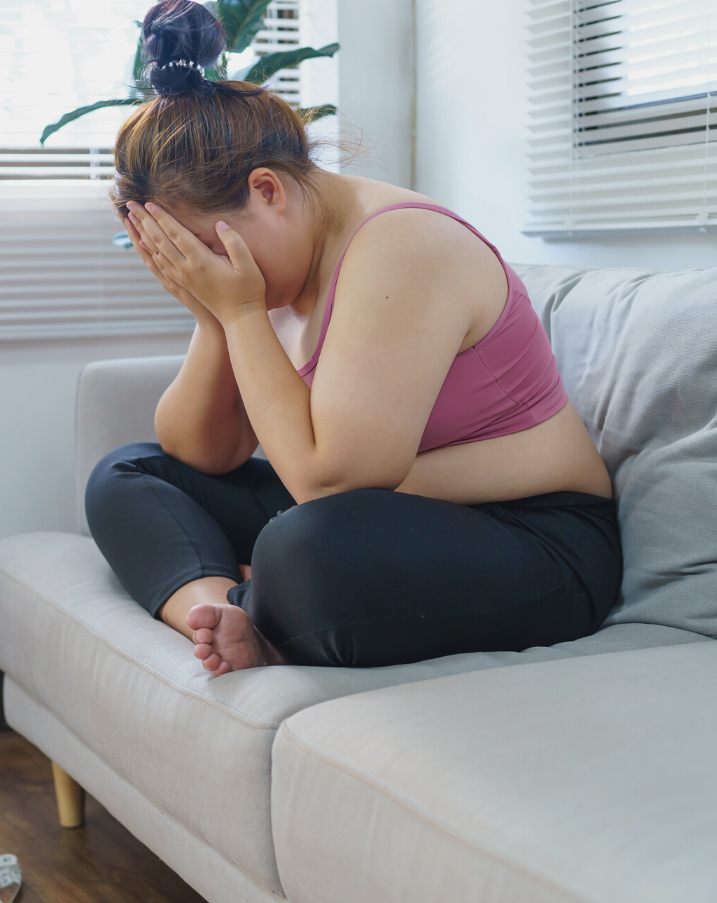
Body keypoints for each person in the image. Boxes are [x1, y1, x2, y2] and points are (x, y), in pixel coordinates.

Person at [85, 0, 622, 673]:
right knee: (129, 474)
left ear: (267, 191)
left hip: (533, 536)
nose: (205, 271)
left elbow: (328, 480)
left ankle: (265, 599)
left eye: (201, 249)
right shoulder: (268, 262)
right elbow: (202, 451)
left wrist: (244, 313)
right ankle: (225, 610)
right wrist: (214, 313)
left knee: (306, 547)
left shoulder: (401, 246)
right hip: (371, 511)